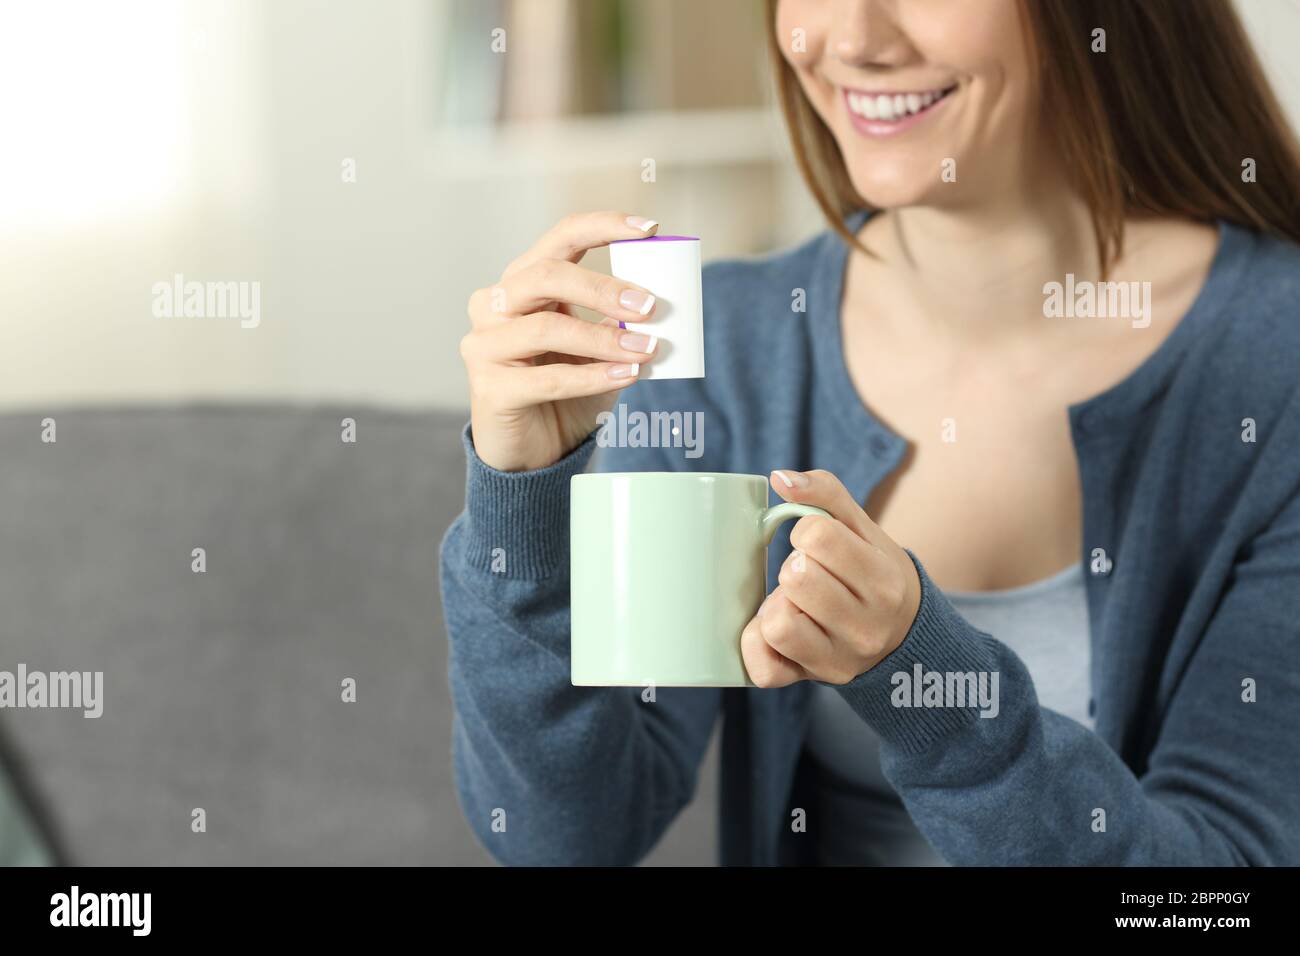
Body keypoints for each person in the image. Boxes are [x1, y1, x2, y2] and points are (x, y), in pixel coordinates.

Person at [441, 0, 1300, 865]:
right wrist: (523, 511)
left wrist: (926, 684)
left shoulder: (1276, 364)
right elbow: (568, 840)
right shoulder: (732, 346)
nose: (851, 40)